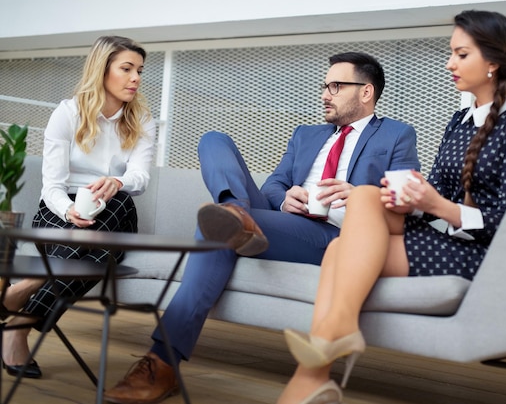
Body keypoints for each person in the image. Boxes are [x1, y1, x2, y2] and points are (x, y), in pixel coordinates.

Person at [103, 51, 421, 404]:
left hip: (333, 234)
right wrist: (286, 198)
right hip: (282, 218)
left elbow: (403, 201)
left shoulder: (396, 134)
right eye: (324, 86)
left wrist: (361, 194)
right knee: (214, 139)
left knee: (215, 230)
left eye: (335, 86)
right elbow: (272, 187)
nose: (324, 94)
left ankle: (163, 361)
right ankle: (237, 214)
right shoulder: (307, 134)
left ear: (366, 92)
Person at [277, 10, 506, 404]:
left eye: (460, 54)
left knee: (340, 246)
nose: (449, 63)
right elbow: (435, 190)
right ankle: (327, 353)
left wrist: (436, 204)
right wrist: (410, 196)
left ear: (492, 62)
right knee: (368, 195)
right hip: (444, 236)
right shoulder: (461, 120)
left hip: (484, 254)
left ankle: (321, 358)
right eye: (451, 53)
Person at [1, 36, 156, 379]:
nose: (136, 78)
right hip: (62, 208)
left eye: (140, 71)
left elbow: (140, 177)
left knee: (118, 200)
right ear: (102, 70)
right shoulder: (67, 114)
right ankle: (19, 326)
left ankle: (22, 304)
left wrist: (117, 182)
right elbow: (53, 186)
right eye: (127, 69)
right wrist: (68, 211)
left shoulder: (142, 119)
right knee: (100, 256)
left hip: (116, 209)